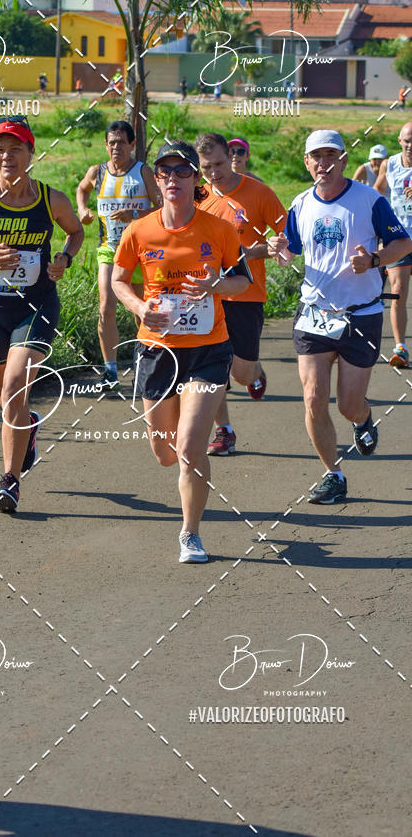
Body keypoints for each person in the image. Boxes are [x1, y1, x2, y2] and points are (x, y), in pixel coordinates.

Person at [112, 140, 251, 563]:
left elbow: (242, 281)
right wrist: (140, 308)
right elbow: (119, 280)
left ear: (195, 179)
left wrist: (215, 285)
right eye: (165, 172)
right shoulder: (140, 231)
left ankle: (190, 534)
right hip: (157, 351)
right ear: (157, 180)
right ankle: (182, 485)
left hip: (208, 350)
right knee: (165, 454)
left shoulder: (220, 230)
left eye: (182, 171)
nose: (173, 178)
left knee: (190, 448)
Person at [267, 129, 411, 505]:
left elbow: (403, 243)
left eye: (331, 155)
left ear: (344, 160)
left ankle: (362, 419)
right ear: (306, 162)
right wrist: (277, 249)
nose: (323, 163)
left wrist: (374, 260)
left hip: (361, 315)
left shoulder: (369, 200)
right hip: (314, 314)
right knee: (313, 398)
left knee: (348, 404)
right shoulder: (300, 204)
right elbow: (288, 253)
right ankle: (333, 474)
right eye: (316, 156)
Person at [0, 116, 84, 512]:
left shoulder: (51, 199)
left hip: (36, 305)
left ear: (31, 153)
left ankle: (10, 481)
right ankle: (29, 426)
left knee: (13, 390)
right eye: (0, 150)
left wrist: (64, 258)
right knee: (9, 400)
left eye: (15, 149)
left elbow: (76, 232)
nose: (6, 156)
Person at [194, 132, 287, 455]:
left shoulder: (258, 192)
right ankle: (224, 430)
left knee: (241, 372)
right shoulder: (198, 196)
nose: (213, 173)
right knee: (214, 368)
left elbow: (285, 236)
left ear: (230, 159)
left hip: (246, 294)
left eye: (219, 164)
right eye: (206, 167)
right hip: (208, 295)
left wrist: (252, 251)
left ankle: (255, 372)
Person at [76, 120, 161, 384]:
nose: (116, 148)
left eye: (122, 142)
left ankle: (147, 363)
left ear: (132, 144)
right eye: (112, 143)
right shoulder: (97, 172)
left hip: (141, 253)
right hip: (109, 249)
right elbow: (82, 189)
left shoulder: (143, 171)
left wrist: (134, 214)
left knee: (141, 311)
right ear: (105, 145)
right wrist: (82, 209)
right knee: (106, 307)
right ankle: (110, 371)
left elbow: (162, 207)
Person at [374, 123, 412, 368]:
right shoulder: (390, 165)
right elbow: (377, 192)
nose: (410, 146)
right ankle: (401, 348)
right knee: (397, 291)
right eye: (407, 141)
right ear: (400, 141)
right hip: (399, 237)